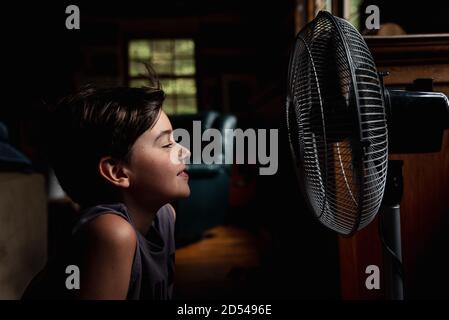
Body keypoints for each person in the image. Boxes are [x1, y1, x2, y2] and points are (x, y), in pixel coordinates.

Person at [22, 70, 191, 300]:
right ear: (117, 171)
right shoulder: (112, 232)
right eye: (166, 145)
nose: (186, 152)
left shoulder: (164, 217)